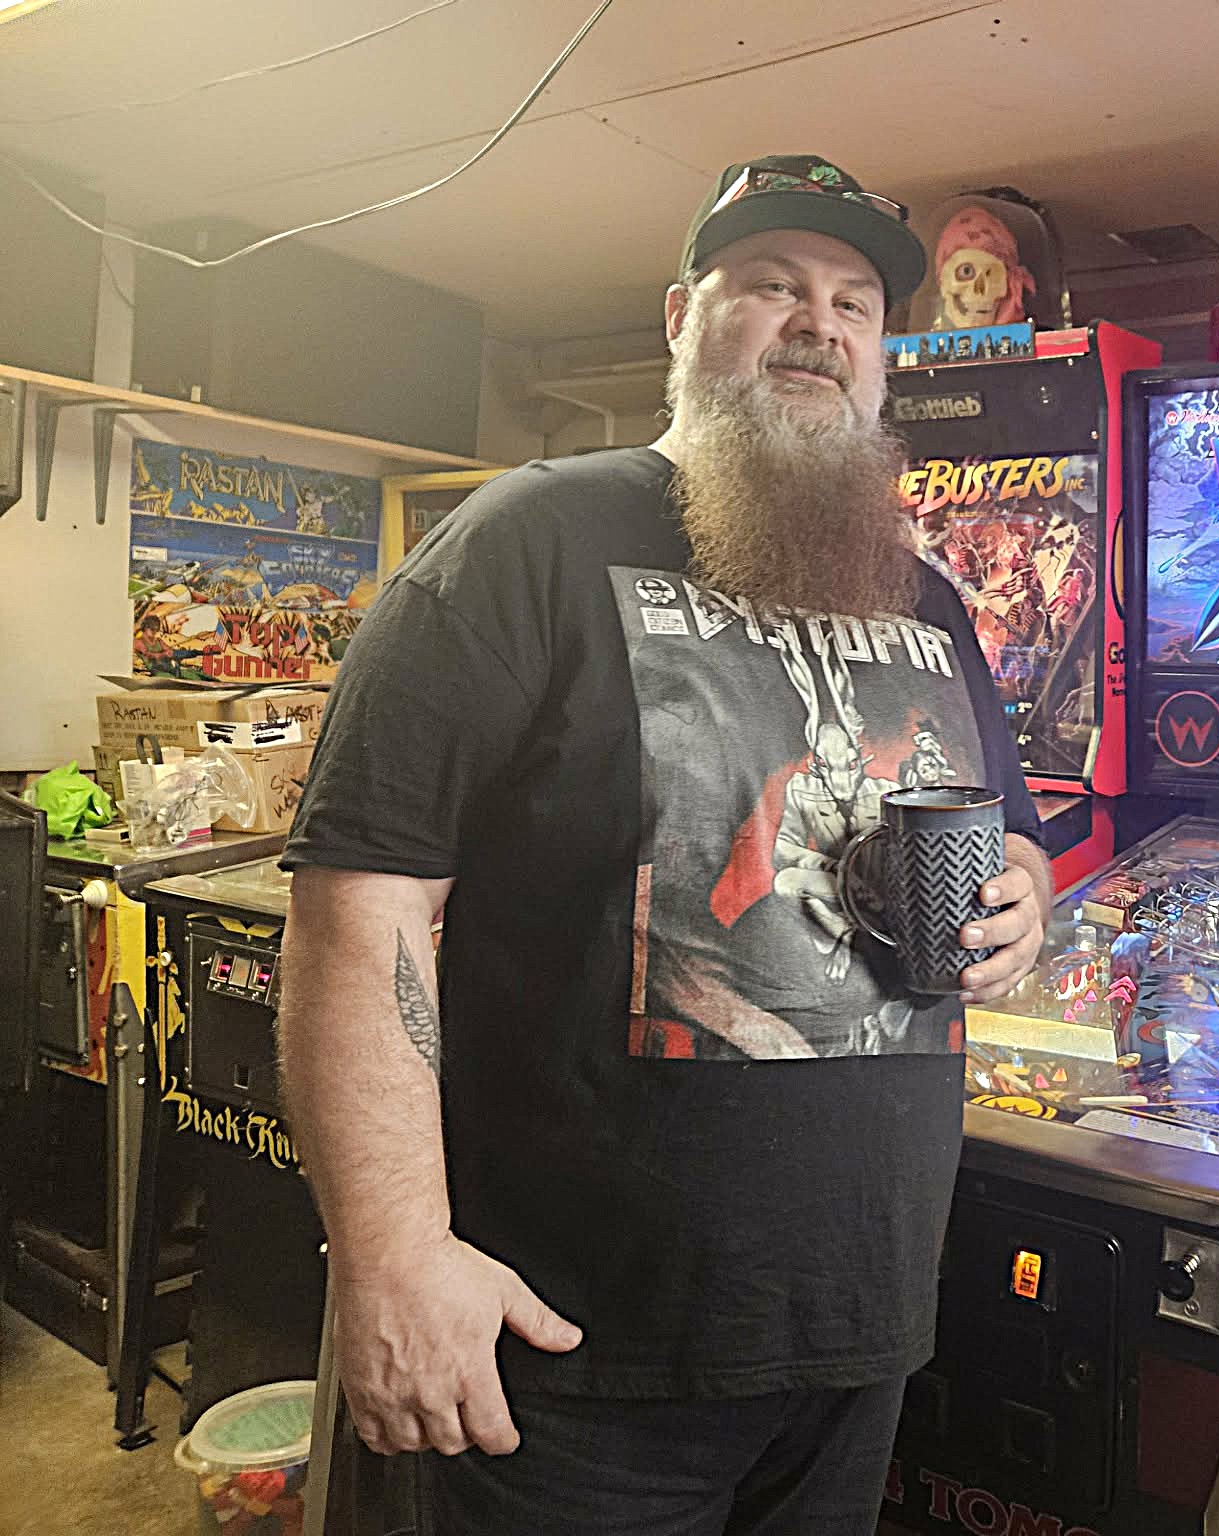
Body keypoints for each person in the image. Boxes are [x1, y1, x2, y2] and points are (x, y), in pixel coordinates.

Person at [277, 154, 1051, 1535]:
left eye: (856, 302)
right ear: (684, 318)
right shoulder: (528, 541)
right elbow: (358, 909)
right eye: (773, 286)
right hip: (573, 1355)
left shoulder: (926, 599)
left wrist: (1025, 901)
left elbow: (1019, 841)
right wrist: (392, 1257)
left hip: (859, 1329)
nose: (818, 324)